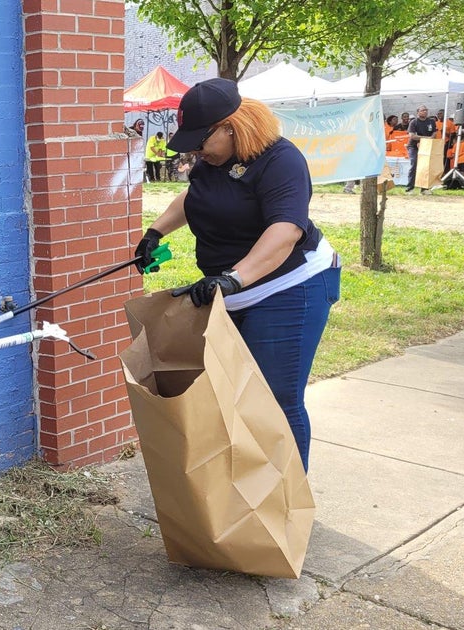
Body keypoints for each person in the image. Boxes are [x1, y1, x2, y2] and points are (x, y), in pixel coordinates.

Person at [133, 78, 340, 471]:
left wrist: (234, 278)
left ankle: (285, 509)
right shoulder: (213, 162)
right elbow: (193, 198)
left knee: (275, 399)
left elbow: (285, 231)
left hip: (289, 288)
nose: (194, 150)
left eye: (201, 140)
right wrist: (156, 231)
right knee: (234, 396)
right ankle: (247, 498)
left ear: (231, 127)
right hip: (236, 290)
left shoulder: (281, 161)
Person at [405, 105, 438, 195]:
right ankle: (409, 188)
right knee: (414, 165)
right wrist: (427, 138)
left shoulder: (431, 121)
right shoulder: (414, 122)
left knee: (425, 167)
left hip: (426, 146)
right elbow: (412, 136)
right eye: (423, 110)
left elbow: (434, 132)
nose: (425, 112)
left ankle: (424, 189)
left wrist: (431, 138)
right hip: (413, 146)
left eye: (426, 110)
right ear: (418, 112)